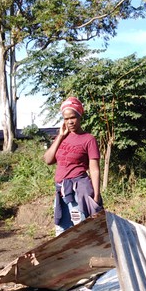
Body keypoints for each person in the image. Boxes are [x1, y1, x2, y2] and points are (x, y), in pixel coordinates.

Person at [43, 97, 103, 235]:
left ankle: (84, 255)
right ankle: (66, 256)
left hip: (78, 191)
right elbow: (47, 159)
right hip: (61, 191)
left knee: (79, 230)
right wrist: (60, 136)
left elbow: (94, 169)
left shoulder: (88, 139)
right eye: (65, 118)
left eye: (73, 117)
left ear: (79, 116)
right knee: (62, 231)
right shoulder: (62, 137)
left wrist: (96, 195)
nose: (69, 121)